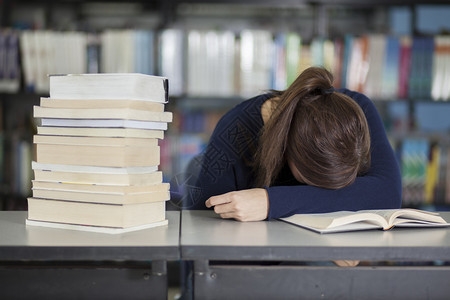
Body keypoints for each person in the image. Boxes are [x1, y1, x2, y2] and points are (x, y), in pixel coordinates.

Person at [181, 66, 402, 221]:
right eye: (313, 182)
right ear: (287, 147)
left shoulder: (357, 111)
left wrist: (271, 202)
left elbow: (387, 193)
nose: (324, 192)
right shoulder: (234, 132)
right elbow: (205, 231)